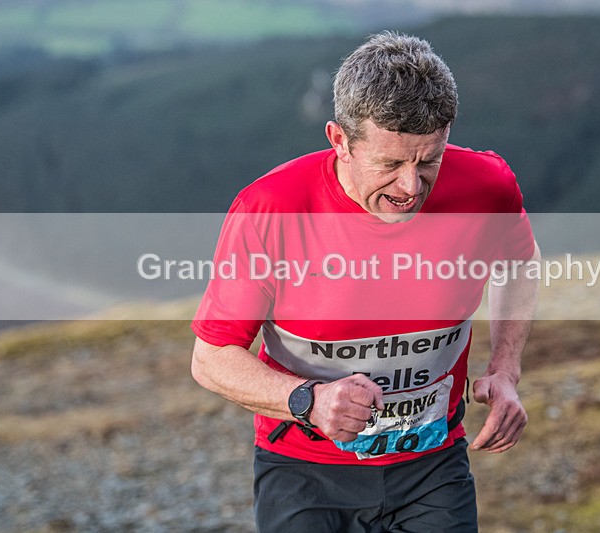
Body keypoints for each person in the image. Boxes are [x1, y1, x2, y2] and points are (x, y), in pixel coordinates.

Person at [190, 31, 540, 532]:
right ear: (340, 141)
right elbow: (211, 359)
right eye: (390, 163)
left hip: (432, 467)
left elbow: (520, 261)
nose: (410, 187)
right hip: (303, 474)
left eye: (429, 161)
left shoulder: (486, 184)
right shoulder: (271, 209)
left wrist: (505, 369)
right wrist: (309, 401)